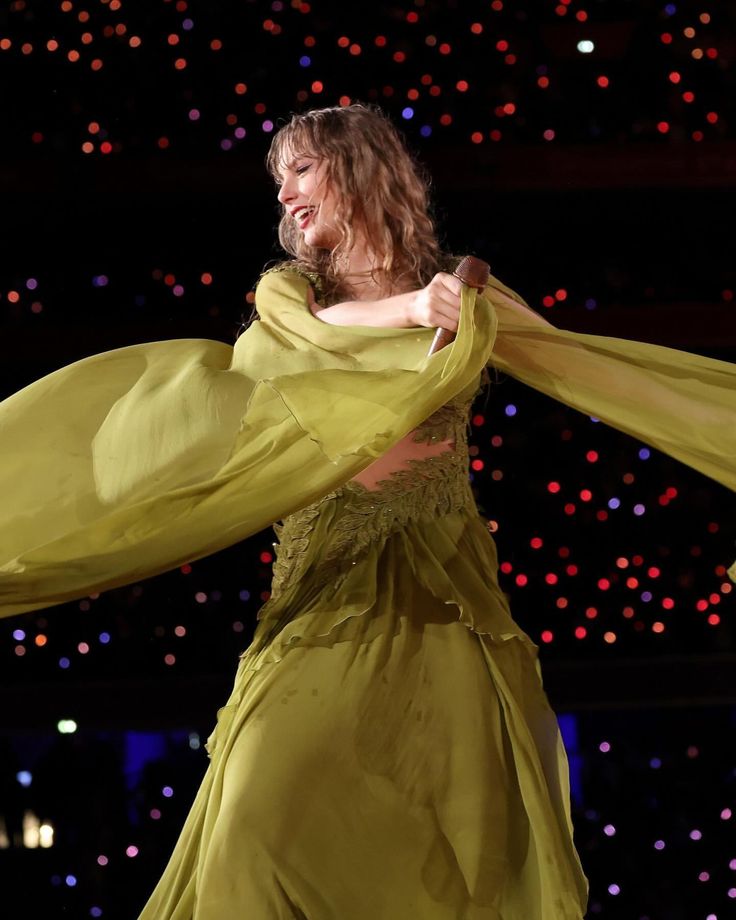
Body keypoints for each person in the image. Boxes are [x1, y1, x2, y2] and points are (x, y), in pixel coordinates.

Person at [1, 104, 734, 918]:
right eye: (279, 181)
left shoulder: (469, 292)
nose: (285, 195)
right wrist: (416, 310)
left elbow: (602, 374)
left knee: (452, 854)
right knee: (253, 823)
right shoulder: (292, 298)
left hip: (444, 600)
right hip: (325, 598)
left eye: (301, 171)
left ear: (358, 169)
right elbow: (305, 338)